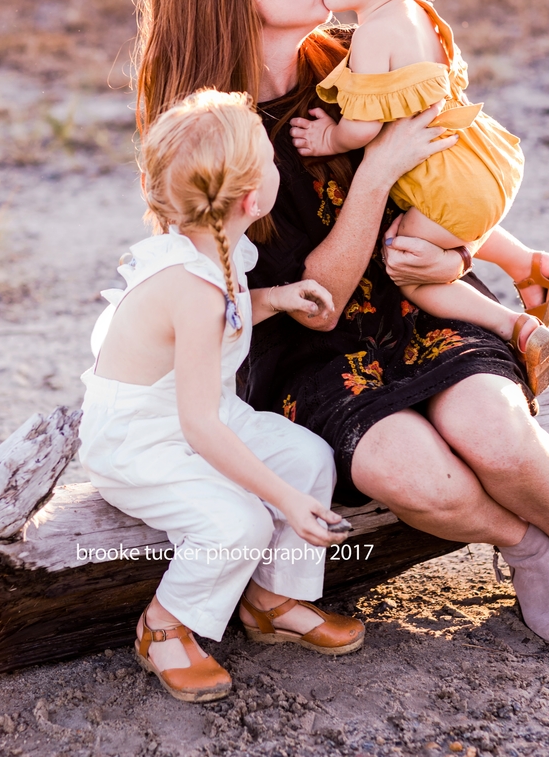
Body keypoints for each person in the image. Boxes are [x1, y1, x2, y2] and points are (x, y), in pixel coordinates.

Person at [136, 0, 549, 649]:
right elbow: (312, 304)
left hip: (418, 297)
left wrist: (454, 251)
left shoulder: (360, 58)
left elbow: (452, 184)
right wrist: (376, 171)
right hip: (307, 349)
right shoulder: (210, 140)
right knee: (410, 470)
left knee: (496, 432)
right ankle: (527, 545)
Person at [79, 89, 364, 704]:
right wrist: (282, 498)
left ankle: (270, 598)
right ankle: (164, 626)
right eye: (269, 159)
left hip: (201, 410)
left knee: (309, 456)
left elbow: (220, 323)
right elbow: (201, 427)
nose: (274, 164)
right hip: (142, 440)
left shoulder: (217, 251)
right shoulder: (191, 285)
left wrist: (275, 298)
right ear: (252, 200)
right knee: (240, 520)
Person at [289, 0, 549, 396]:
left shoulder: (374, 33)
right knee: (452, 215)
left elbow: (365, 126)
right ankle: (529, 265)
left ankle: (514, 326)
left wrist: (330, 139)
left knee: (407, 265)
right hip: (482, 156)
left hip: (446, 182)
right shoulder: (418, 12)